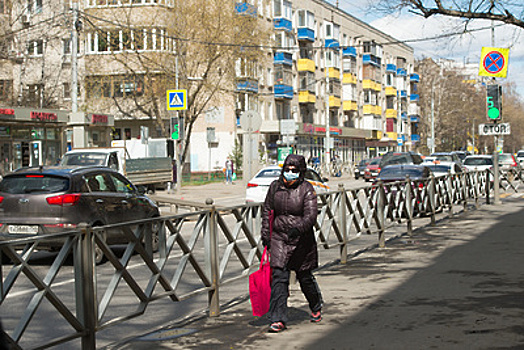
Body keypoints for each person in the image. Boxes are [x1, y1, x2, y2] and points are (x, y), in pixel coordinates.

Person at [261, 154, 323, 333]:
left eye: (294, 170)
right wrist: (266, 233)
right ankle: (277, 319)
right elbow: (267, 210)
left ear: (301, 172)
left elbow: (311, 215)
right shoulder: (275, 187)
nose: (290, 173)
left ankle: (316, 305)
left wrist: (299, 228)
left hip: (301, 240)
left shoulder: (307, 189)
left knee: (304, 277)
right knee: (279, 278)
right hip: (279, 238)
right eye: (287, 170)